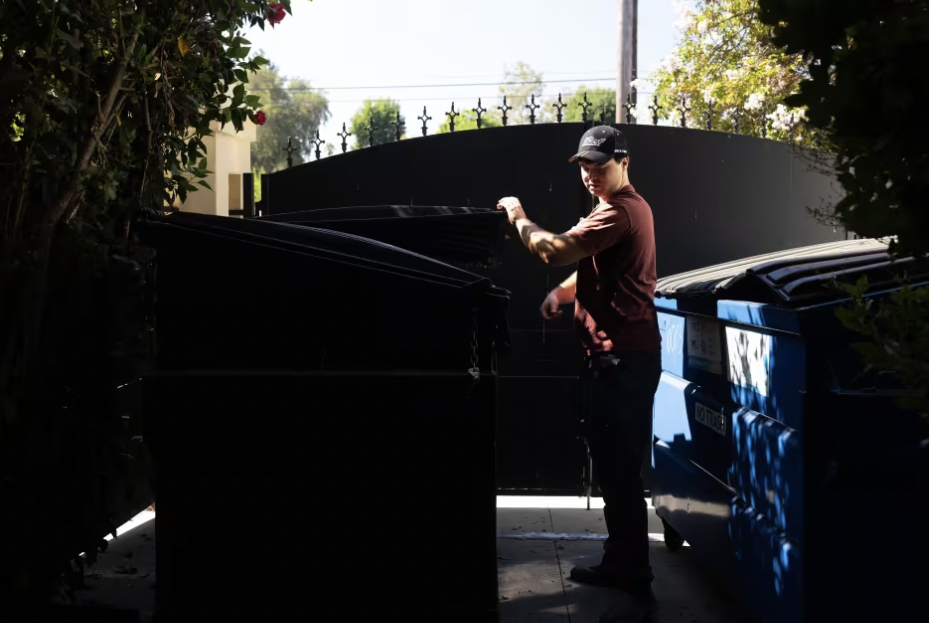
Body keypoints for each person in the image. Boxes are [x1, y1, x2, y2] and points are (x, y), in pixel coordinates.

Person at [497, 125, 662, 622]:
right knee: (613, 468)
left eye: (599, 165)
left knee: (619, 471)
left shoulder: (621, 210)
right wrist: (565, 293)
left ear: (624, 162)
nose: (590, 174)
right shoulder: (617, 211)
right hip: (616, 360)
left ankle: (633, 573)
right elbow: (590, 263)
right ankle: (622, 562)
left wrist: (518, 215)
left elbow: (553, 251)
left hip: (622, 362)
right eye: (585, 166)